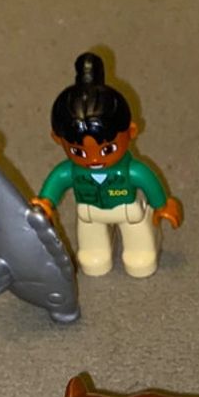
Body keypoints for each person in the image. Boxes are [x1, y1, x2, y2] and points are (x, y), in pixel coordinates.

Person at [31, 52, 182, 278]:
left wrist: (161, 204)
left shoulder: (131, 170)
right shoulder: (71, 171)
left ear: (130, 132)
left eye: (106, 149)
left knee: (138, 242)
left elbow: (147, 180)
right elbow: (57, 181)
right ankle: (96, 251)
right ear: (58, 140)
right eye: (78, 151)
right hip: (90, 212)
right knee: (92, 248)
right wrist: (45, 202)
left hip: (127, 210)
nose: (94, 160)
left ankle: (141, 250)